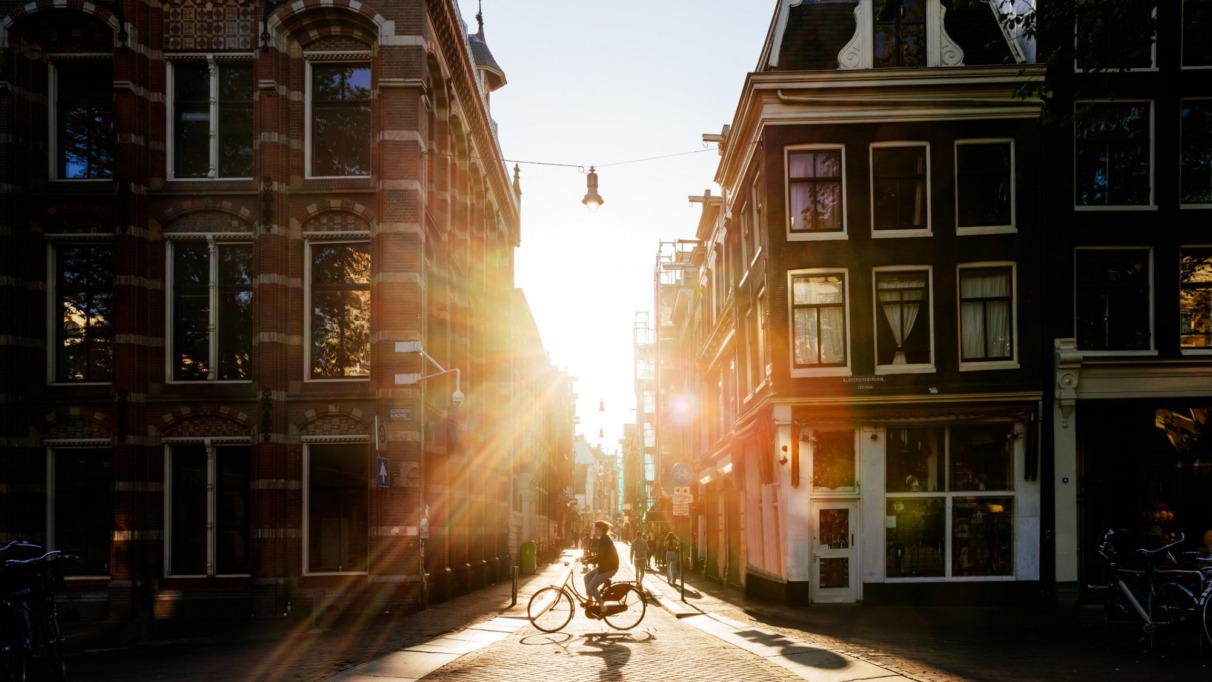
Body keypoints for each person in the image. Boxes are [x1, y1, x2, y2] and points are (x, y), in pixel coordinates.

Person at [582, 520, 619, 617]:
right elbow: (600, 556)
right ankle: (590, 601)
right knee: (586, 577)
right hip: (605, 566)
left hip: (609, 568)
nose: (594, 530)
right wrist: (586, 558)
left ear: (600, 529)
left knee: (592, 587)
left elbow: (600, 557)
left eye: (595, 528)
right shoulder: (603, 538)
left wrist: (588, 561)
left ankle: (603, 607)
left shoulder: (604, 539)